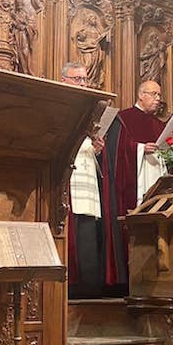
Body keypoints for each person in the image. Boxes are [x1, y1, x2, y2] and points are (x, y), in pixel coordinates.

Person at [103, 80, 170, 292]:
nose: (158, 99)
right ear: (141, 95)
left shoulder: (160, 124)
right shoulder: (123, 118)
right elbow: (116, 151)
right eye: (154, 94)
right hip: (134, 183)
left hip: (156, 179)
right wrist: (140, 149)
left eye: (159, 95)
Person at [62, 63, 105, 298]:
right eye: (77, 79)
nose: (83, 84)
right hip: (68, 178)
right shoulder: (60, 105)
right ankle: (72, 285)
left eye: (85, 80)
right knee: (72, 232)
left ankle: (89, 287)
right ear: (64, 80)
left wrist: (97, 147)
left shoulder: (91, 109)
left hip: (87, 177)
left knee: (88, 232)